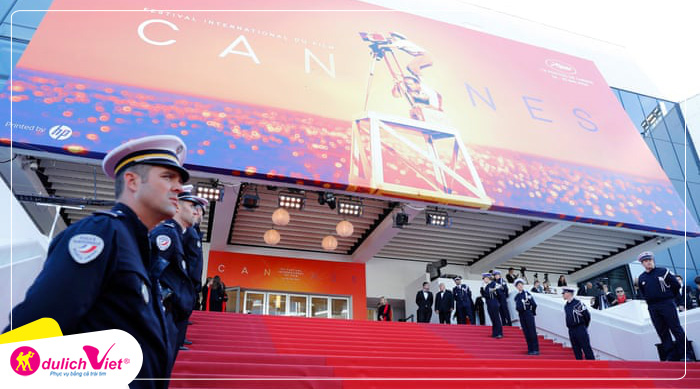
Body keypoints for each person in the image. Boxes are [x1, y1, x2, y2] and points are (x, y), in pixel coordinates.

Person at [3, 135, 189, 388]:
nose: (178, 187)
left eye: (179, 180)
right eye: (168, 177)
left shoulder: (138, 248)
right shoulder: (102, 233)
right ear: (132, 181)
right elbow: (41, 322)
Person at [150, 187, 202, 353]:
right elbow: (154, 273)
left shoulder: (178, 235)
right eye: (191, 206)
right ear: (177, 207)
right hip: (163, 312)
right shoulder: (166, 233)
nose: (195, 212)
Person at [637, 251, 689, 361]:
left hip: (666, 303)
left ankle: (686, 354)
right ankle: (671, 355)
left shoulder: (663, 271)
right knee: (662, 331)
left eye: (650, 260)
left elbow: (676, 285)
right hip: (653, 307)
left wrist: (669, 298)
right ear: (642, 264)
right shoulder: (641, 278)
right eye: (646, 261)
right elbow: (643, 293)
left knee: (676, 328)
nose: (648, 263)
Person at [562, 287, 595, 360]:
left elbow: (587, 316)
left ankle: (592, 365)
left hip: (580, 328)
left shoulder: (578, 303)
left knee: (586, 347)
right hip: (571, 330)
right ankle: (580, 365)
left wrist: (583, 326)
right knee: (576, 349)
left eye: (564, 293)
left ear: (569, 293)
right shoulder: (566, 306)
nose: (563, 295)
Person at [514, 279, 539, 355]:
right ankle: (530, 348)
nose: (520, 286)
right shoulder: (517, 296)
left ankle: (535, 349)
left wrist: (532, 312)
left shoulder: (527, 294)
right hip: (521, 315)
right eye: (518, 285)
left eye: (521, 285)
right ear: (516, 287)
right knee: (526, 332)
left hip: (528, 313)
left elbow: (534, 304)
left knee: (532, 331)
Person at [480, 273, 503, 338]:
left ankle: (499, 333)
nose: (484, 280)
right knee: (492, 318)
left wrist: (494, 290)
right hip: (489, 302)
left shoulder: (493, 283)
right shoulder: (486, 286)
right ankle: (495, 333)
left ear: (487, 278)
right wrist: (482, 288)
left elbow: (500, 289)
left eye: (484, 278)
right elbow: (484, 295)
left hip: (493, 301)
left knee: (496, 318)